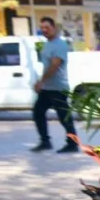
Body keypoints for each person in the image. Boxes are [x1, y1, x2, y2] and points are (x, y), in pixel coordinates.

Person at [31, 17, 78, 153]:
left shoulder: (60, 44)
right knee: (38, 112)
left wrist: (41, 81)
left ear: (54, 28)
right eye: (42, 28)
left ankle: (72, 144)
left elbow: (55, 65)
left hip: (58, 87)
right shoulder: (47, 44)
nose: (44, 30)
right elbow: (46, 66)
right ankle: (45, 141)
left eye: (47, 27)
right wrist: (42, 82)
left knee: (64, 117)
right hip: (47, 88)